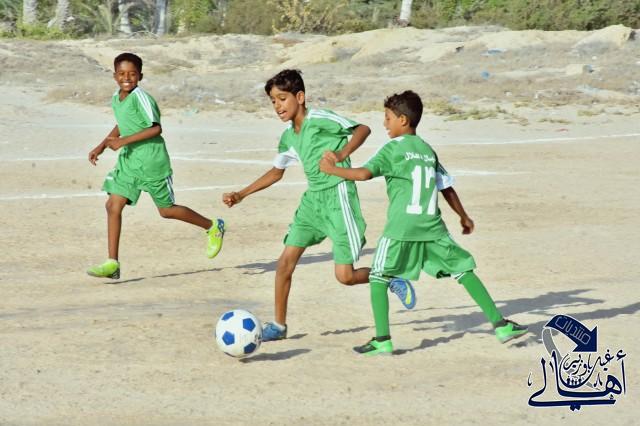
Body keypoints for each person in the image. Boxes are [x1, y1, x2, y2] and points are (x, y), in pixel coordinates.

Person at [319, 90, 528, 355]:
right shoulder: (427, 151)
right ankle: (501, 325)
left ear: (403, 120)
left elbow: (363, 174)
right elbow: (446, 187)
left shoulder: (393, 149)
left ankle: (382, 339)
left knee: (378, 276)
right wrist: (463, 216)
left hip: (401, 228)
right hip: (432, 227)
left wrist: (333, 169)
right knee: (463, 270)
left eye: (388, 118)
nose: (384, 123)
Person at [222, 69, 414, 341]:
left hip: (338, 197)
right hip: (312, 202)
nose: (277, 106)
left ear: (300, 97)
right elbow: (276, 172)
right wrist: (242, 194)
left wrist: (341, 153)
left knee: (345, 276)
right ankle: (279, 326)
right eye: (273, 101)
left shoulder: (320, 118)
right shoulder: (288, 137)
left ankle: (389, 276)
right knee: (284, 263)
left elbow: (363, 129)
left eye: (282, 99)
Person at [87, 52, 224, 280]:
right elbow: (123, 123)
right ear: (114, 76)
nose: (127, 78)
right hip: (130, 162)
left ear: (140, 76)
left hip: (152, 162)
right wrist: (102, 145)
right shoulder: (116, 98)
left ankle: (212, 226)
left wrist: (122, 142)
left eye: (132, 74)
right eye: (122, 74)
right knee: (112, 205)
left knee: (166, 211)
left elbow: (155, 128)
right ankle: (113, 263)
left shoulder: (142, 98)